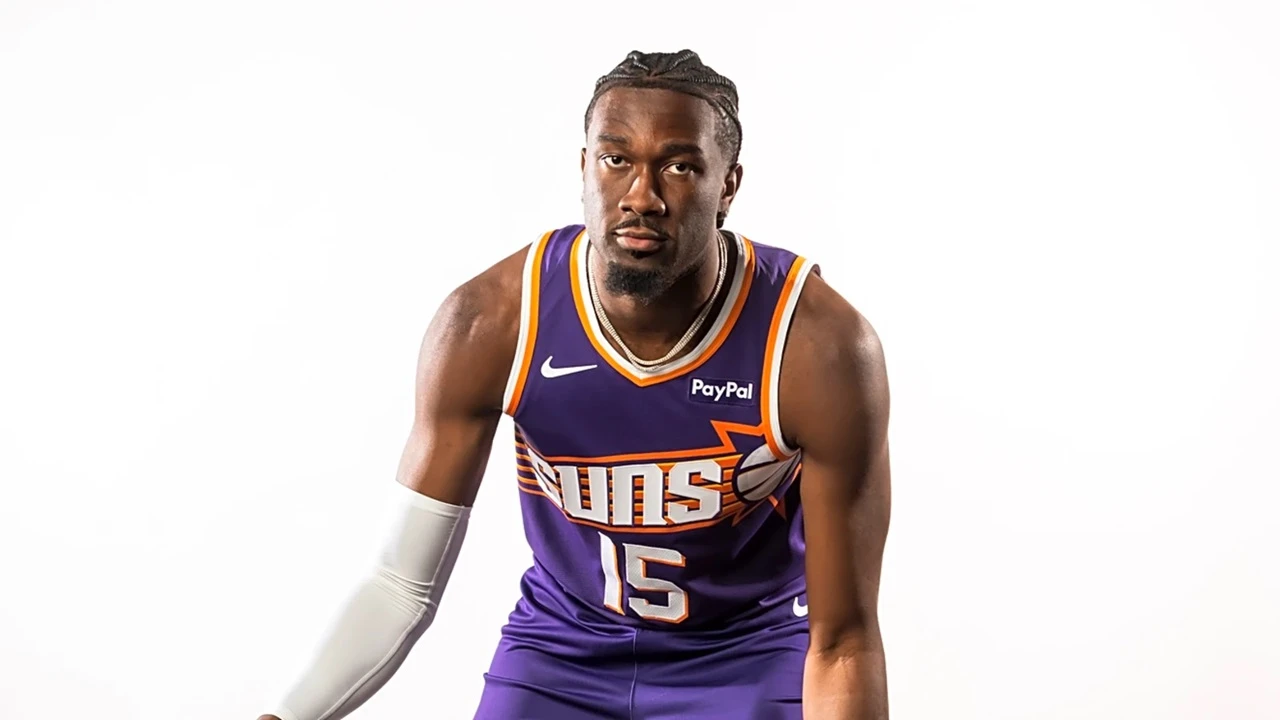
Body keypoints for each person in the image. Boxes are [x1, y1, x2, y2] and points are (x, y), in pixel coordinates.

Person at [258, 49, 892, 720]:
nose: (641, 197)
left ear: (728, 186)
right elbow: (398, 585)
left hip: (747, 654)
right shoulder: (493, 321)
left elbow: (844, 640)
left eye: (679, 167)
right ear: (584, 167)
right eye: (616, 159)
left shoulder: (817, 346)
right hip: (562, 648)